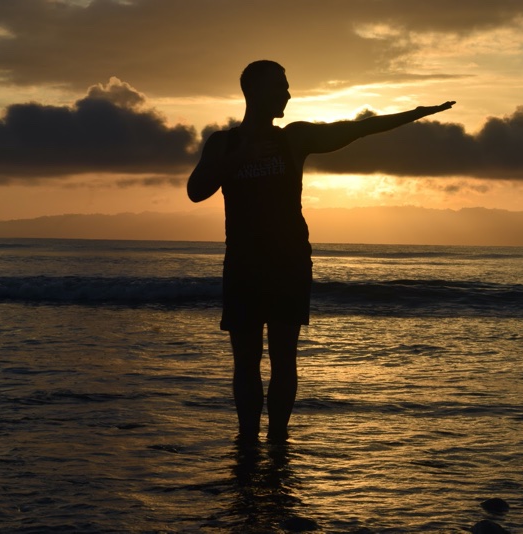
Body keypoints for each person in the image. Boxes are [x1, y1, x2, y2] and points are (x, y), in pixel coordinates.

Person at [188, 60, 454, 442]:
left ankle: (277, 442)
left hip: (288, 262)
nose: (288, 94)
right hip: (244, 264)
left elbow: (357, 129)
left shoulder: (293, 138)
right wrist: (238, 161)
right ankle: (247, 443)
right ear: (257, 92)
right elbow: (196, 191)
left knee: (284, 360)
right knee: (245, 362)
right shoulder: (223, 143)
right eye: (281, 87)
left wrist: (415, 114)